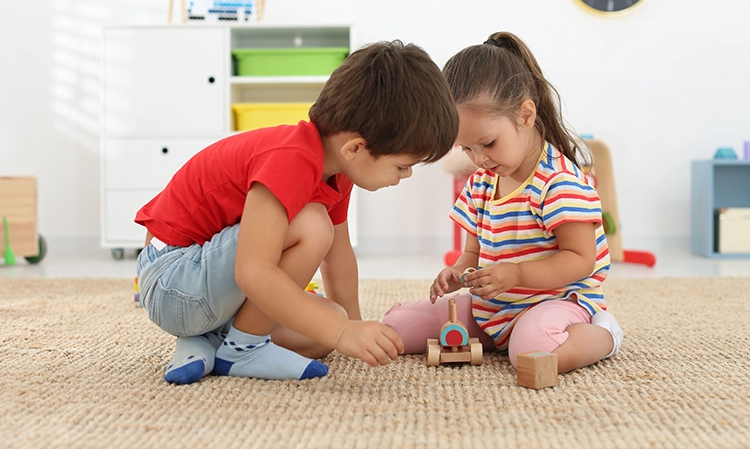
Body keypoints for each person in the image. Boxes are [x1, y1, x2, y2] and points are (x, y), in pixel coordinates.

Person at [134, 40, 459, 384]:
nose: (405, 176)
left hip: (208, 286)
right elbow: (253, 271)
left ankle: (210, 340)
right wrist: (343, 332)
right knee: (314, 228)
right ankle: (241, 348)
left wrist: (354, 327)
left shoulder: (337, 170)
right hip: (173, 281)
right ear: (355, 148)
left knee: (322, 329)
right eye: (403, 166)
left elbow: (338, 258)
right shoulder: (289, 160)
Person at [382, 32, 623, 374]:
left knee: (531, 352)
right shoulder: (482, 182)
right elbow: (473, 255)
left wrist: (517, 273)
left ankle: (603, 334)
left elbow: (581, 260)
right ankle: (503, 335)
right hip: (493, 308)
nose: (478, 159)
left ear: (526, 115)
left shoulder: (558, 182)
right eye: (466, 149)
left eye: (488, 143)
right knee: (397, 325)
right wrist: (458, 274)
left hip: (554, 303)